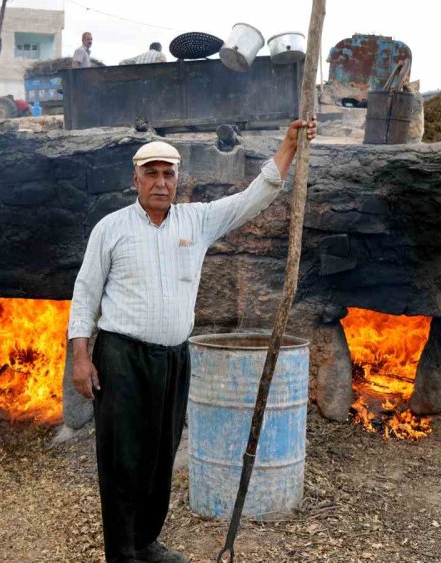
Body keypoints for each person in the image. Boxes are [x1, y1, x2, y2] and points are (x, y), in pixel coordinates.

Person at [67, 118, 317, 563]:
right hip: (121, 355)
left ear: (179, 180)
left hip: (173, 358)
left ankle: (145, 542)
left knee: (161, 454)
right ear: (136, 179)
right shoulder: (111, 228)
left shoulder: (197, 221)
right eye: (152, 173)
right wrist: (81, 359)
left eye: (168, 174)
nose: (160, 182)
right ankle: (121, 553)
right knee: (122, 457)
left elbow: (254, 197)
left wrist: (290, 146)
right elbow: (85, 295)